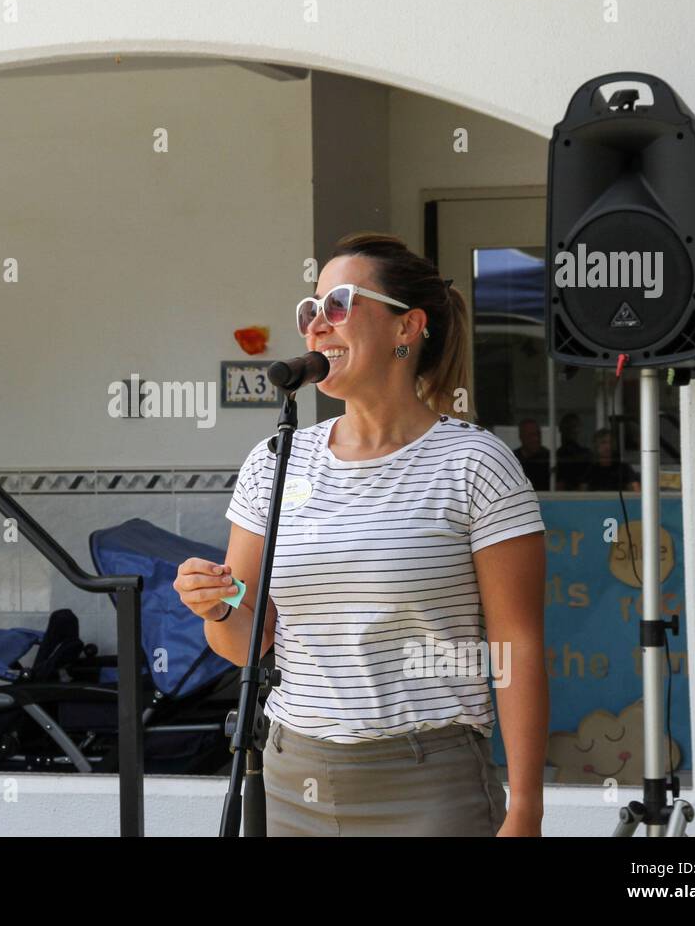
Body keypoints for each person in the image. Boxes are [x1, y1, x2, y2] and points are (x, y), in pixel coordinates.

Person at [174, 232, 547, 836]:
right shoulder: (275, 459)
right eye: (311, 309)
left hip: (429, 782)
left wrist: (526, 806)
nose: (318, 325)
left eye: (340, 303)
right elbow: (249, 642)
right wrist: (215, 607)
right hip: (292, 778)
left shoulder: (476, 464)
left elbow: (517, 645)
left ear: (408, 328)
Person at [554, 412, 591, 491]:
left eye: (575, 427)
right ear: (561, 430)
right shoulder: (556, 455)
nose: (572, 431)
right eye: (568, 428)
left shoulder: (586, 455)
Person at [514, 417, 551, 491]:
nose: (536, 439)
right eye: (531, 435)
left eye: (538, 434)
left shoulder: (549, 458)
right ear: (521, 437)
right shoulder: (513, 459)